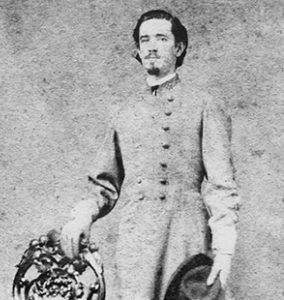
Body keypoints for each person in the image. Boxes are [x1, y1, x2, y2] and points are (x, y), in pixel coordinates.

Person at [60, 9, 240, 300]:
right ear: (138, 49)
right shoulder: (123, 111)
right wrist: (81, 218)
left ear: (178, 47)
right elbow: (103, 185)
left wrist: (225, 249)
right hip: (136, 239)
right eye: (145, 40)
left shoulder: (204, 105)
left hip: (186, 235)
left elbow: (222, 185)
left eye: (161, 38)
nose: (152, 46)